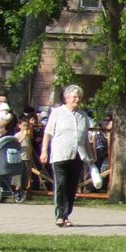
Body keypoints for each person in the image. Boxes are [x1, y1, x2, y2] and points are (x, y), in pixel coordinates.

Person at [40, 85, 93, 228]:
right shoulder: (57, 113)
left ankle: (66, 215)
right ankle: (60, 215)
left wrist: (91, 156)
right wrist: (44, 151)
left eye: (79, 97)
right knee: (61, 184)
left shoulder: (83, 116)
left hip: (78, 155)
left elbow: (85, 138)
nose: (77, 99)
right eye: (74, 97)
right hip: (60, 154)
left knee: (72, 186)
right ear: (67, 98)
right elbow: (48, 133)